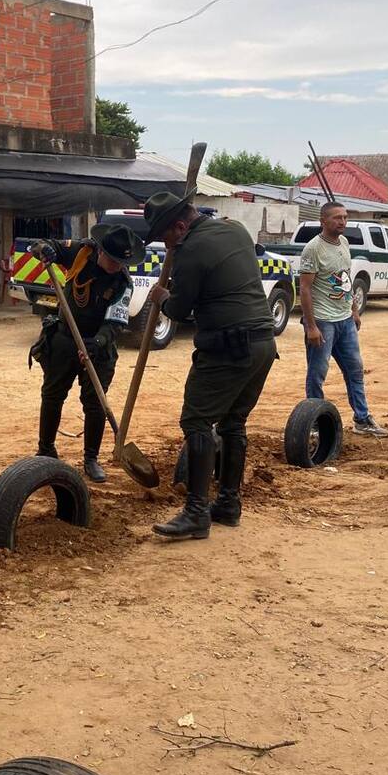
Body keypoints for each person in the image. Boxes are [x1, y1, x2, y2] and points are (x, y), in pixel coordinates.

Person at [144, 193, 276, 539]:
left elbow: (178, 310)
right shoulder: (235, 230)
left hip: (227, 348)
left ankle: (196, 512)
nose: (165, 245)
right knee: (233, 423)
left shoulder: (191, 251)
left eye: (165, 237)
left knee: (196, 420)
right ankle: (229, 505)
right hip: (263, 343)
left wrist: (161, 296)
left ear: (180, 226)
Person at [29, 223, 145, 482]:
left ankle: (91, 458)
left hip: (98, 345)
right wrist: (44, 250)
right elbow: (40, 246)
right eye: (113, 260)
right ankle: (46, 450)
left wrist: (97, 343)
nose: (118, 266)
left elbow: (115, 323)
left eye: (122, 263)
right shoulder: (80, 252)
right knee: (52, 394)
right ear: (100, 251)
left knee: (95, 404)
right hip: (65, 338)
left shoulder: (123, 283)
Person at [298, 202, 388, 437]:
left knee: (355, 370)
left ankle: (362, 419)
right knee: (317, 374)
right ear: (323, 221)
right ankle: (314, 422)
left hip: (345, 320)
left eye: (345, 217)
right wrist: (311, 326)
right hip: (323, 322)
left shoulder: (345, 243)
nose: (343, 221)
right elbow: (304, 289)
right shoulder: (313, 249)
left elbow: (345, 279)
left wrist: (354, 310)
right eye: (337, 217)